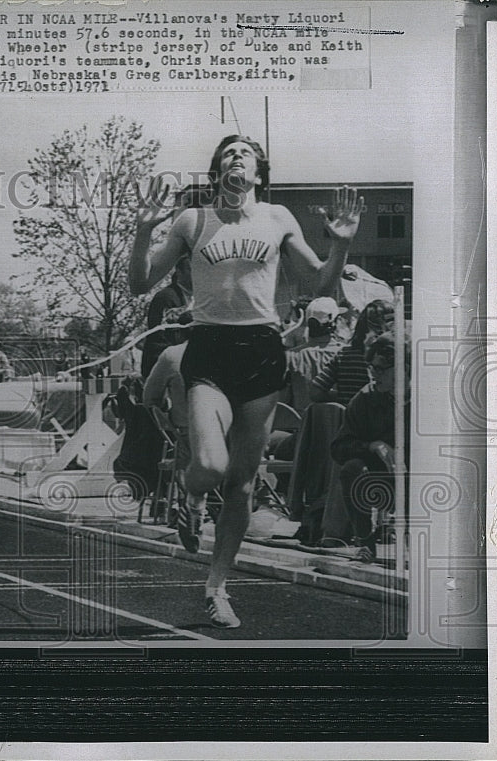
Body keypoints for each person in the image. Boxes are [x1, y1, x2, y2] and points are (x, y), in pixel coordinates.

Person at [129, 134, 363, 628]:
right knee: (211, 466)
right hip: (210, 348)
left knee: (241, 485)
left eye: (246, 154)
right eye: (228, 153)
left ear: (258, 173)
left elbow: (321, 283)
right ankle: (190, 491)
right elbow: (139, 283)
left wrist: (339, 246)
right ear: (217, 172)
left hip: (261, 350)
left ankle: (216, 587)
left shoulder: (278, 218)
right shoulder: (193, 221)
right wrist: (142, 231)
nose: (237, 158)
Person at [330, 332, 409, 562]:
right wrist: (372, 446)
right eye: (371, 368)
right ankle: (365, 542)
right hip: (384, 480)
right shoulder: (365, 399)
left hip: (423, 481)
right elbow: (339, 447)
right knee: (352, 470)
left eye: (381, 369)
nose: (375, 375)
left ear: (404, 368)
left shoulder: (426, 398)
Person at [311, 299, 394, 406]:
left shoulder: (344, 354)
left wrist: (342, 397)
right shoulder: (394, 359)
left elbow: (315, 392)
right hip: (379, 420)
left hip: (348, 419)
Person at [283, 296, 345, 415]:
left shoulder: (291, 356)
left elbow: (284, 399)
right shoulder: (345, 353)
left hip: (303, 426)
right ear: (336, 322)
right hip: (337, 424)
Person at [141, 256, 193, 378]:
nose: (198, 274)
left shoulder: (200, 298)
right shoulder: (165, 297)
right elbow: (159, 339)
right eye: (192, 270)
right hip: (164, 370)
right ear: (179, 272)